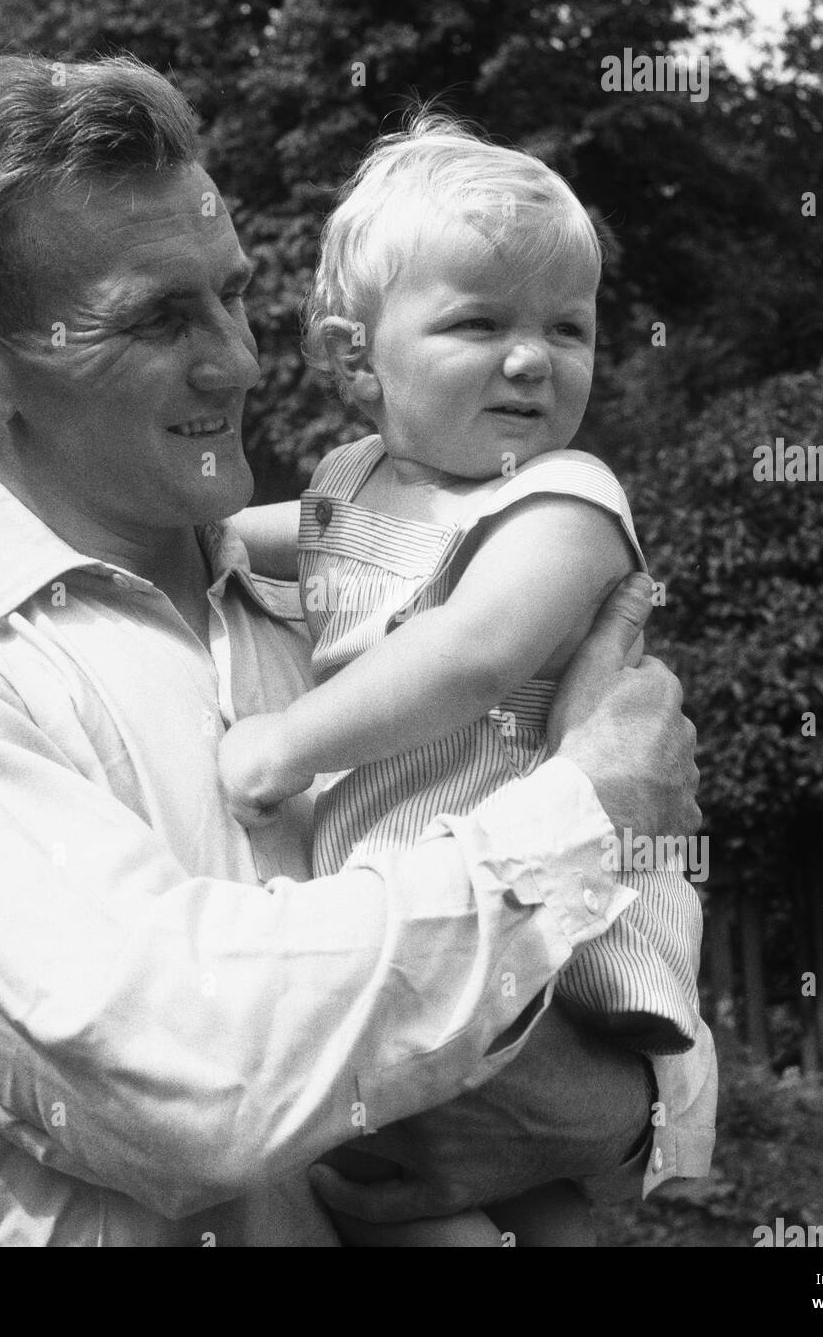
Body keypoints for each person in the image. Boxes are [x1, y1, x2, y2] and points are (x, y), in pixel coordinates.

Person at [0, 54, 714, 1247]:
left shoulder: (370, 609)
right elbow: (187, 1075)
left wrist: (611, 1117)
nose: (241, 362)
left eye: (233, 296)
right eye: (156, 316)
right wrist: (584, 810)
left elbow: (639, 1054)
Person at [221, 114, 701, 1245]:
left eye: (566, 328)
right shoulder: (355, 477)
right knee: (430, 1187)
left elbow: (474, 647)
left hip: (528, 899)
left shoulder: (565, 501)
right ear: (353, 356)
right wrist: (205, 537)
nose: (531, 358)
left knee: (458, 1175)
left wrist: (289, 742)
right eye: (478, 323)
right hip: (410, 876)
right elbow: (312, 533)